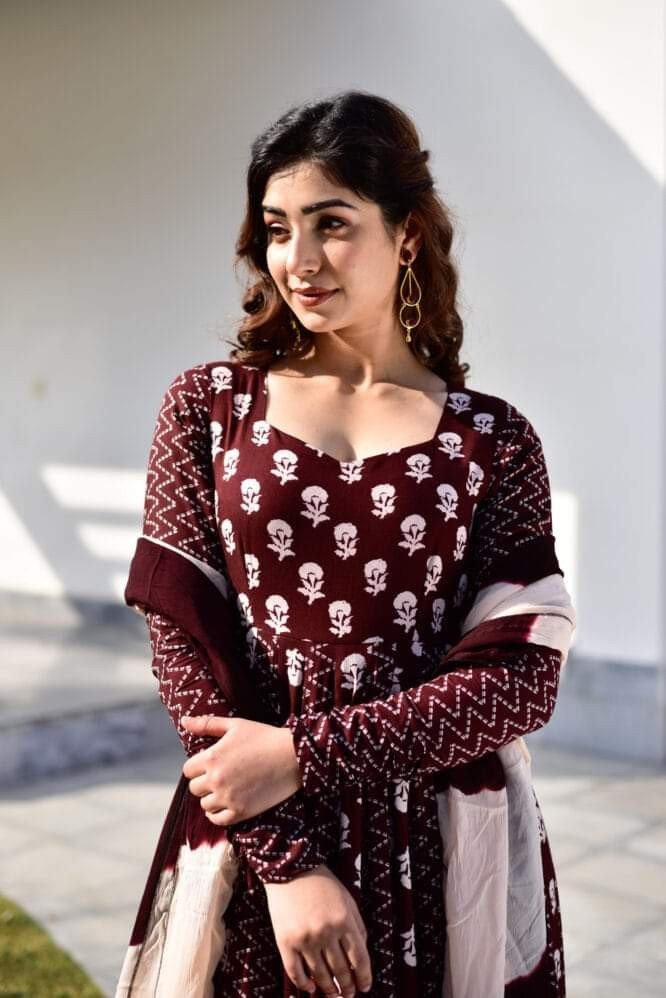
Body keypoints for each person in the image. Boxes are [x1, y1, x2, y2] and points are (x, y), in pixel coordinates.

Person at [115, 90, 576, 998]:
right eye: (277, 229)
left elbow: (521, 681)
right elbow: (185, 653)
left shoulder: (493, 439)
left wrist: (302, 756)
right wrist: (287, 863)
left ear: (407, 234)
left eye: (332, 224)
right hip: (252, 834)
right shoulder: (209, 409)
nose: (299, 259)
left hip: (444, 845)